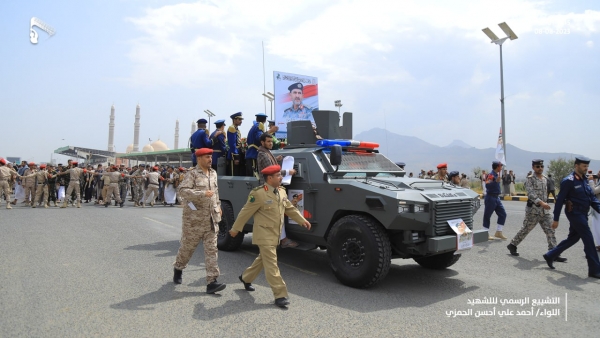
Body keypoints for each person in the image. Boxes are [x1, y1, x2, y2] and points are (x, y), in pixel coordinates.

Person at [229, 165, 311, 307]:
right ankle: (280, 295)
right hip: (264, 234)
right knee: (272, 264)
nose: (281, 177)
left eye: (281, 175)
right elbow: (245, 212)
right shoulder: (259, 194)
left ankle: (246, 278)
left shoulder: (281, 191)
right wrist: (235, 229)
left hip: (275, 234)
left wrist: (302, 220)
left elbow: (289, 208)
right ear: (270, 178)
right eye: (278, 175)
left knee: (263, 259)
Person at [173, 148, 226, 294]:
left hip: (211, 219)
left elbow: (216, 192)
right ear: (199, 159)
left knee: (212, 251)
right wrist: (201, 193)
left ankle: (212, 282)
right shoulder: (192, 174)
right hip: (194, 221)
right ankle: (178, 267)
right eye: (207, 157)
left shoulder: (214, 173)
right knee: (187, 249)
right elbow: (182, 191)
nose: (210, 159)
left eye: (211, 157)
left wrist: (218, 206)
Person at [542, 156, 600, 278]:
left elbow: (592, 198)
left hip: (583, 213)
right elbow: (559, 201)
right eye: (584, 166)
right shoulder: (568, 180)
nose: (586, 168)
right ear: (576, 166)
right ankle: (594, 270)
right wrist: (556, 219)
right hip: (574, 213)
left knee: (573, 238)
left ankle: (550, 255)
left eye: (587, 166)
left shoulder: (584, 180)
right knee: (588, 239)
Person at [506, 160, 565, 262]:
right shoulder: (530, 179)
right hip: (533, 210)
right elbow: (530, 193)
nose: (540, 168)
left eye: (542, 166)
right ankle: (512, 244)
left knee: (550, 230)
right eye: (538, 166)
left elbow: (549, 191)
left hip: (545, 211)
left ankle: (553, 253)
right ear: (533, 167)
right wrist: (541, 202)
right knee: (526, 229)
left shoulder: (546, 179)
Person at [256, 133, 298, 248]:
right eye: (268, 141)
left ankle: (278, 239)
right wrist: (288, 172)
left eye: (271, 141)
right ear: (262, 142)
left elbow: (272, 167)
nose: (271, 143)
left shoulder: (266, 152)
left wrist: (276, 159)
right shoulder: (263, 154)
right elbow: (272, 173)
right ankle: (281, 240)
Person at [482, 161, 507, 241]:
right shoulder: (491, 175)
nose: (501, 168)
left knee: (503, 214)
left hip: (497, 198)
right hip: (490, 197)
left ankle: (498, 232)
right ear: (497, 167)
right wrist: (495, 181)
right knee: (487, 216)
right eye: (501, 166)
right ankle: (485, 233)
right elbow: (488, 185)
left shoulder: (496, 175)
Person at [246, 113, 274, 177]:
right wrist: (270, 131)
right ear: (264, 121)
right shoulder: (259, 126)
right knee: (255, 175)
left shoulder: (254, 126)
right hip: (254, 153)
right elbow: (260, 137)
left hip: (250, 153)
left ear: (256, 119)